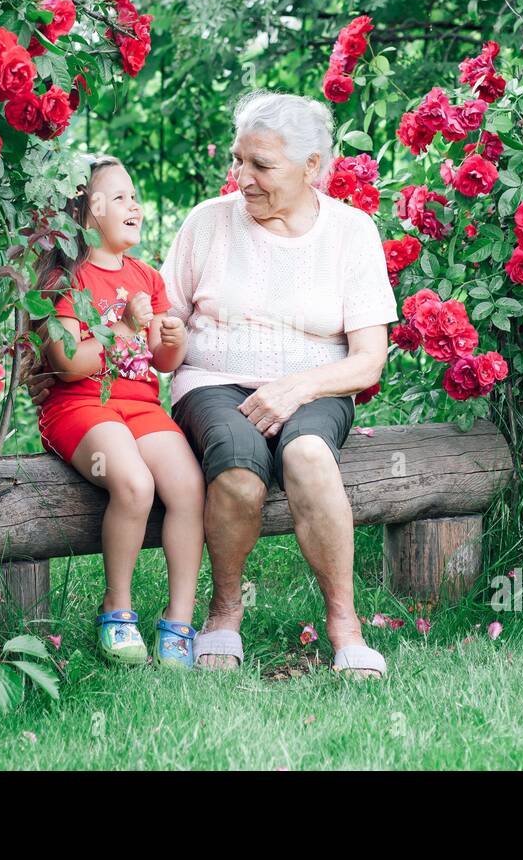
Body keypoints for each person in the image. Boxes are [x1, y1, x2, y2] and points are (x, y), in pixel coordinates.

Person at [162, 90, 397, 677]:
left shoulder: (351, 231)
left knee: (310, 456)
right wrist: (155, 341)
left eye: (260, 165)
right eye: (239, 160)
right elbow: (166, 336)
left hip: (316, 386)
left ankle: (344, 623)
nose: (242, 177)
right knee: (240, 473)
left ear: (311, 167)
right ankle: (224, 613)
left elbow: (369, 360)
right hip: (214, 381)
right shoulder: (207, 223)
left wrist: (298, 388)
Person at [31, 155, 205, 669]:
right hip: (81, 407)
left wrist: (171, 339)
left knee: (189, 488)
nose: (136, 206)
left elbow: (163, 361)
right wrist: (126, 328)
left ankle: (179, 621)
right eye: (121, 197)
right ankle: (117, 609)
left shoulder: (146, 277)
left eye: (135, 197)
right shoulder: (66, 279)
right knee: (132, 483)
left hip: (140, 405)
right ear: (88, 211)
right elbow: (67, 365)